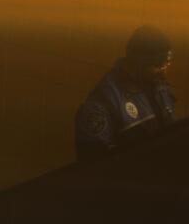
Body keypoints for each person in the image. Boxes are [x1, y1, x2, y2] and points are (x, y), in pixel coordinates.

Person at [75, 25, 176, 161]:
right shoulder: (104, 101)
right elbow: (92, 162)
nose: (164, 71)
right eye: (157, 65)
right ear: (138, 63)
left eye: (167, 64)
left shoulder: (159, 87)